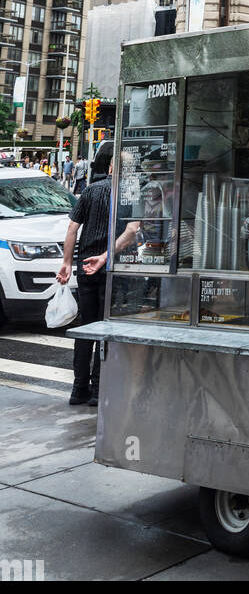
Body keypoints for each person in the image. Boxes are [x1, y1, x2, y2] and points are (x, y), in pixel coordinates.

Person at [56, 154, 140, 406]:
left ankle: (78, 388)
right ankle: (97, 389)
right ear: (131, 170)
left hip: (85, 266)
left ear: (111, 166)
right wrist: (105, 257)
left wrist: (67, 263)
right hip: (112, 268)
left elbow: (72, 228)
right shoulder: (131, 193)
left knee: (86, 327)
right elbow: (133, 230)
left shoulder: (91, 190)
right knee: (106, 328)